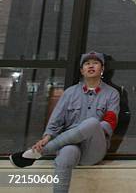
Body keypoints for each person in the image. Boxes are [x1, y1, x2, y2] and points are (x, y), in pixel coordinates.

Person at [9, 52, 120, 193]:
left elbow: (109, 123)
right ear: (82, 70)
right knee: (65, 156)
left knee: (92, 123)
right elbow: (56, 120)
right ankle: (42, 152)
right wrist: (46, 138)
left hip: (94, 148)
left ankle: (42, 152)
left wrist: (85, 131)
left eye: (95, 63)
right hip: (70, 145)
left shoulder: (112, 93)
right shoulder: (70, 93)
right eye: (86, 63)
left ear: (102, 69)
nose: (91, 65)